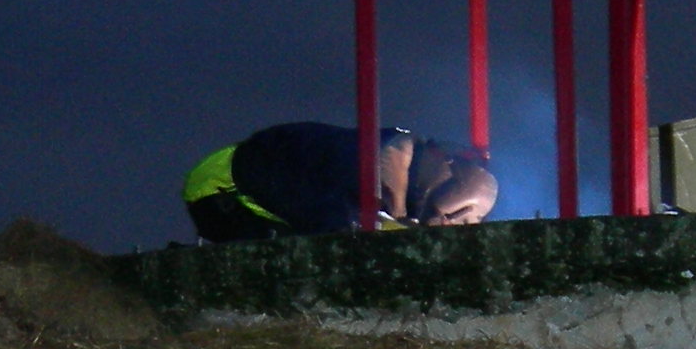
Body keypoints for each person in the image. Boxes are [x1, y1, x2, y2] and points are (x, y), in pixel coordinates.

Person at [183, 123, 499, 241]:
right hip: (217, 189)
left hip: (241, 178)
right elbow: (330, 233)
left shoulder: (386, 163)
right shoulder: (353, 172)